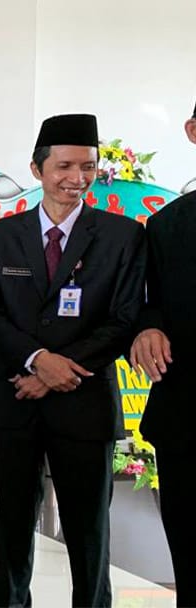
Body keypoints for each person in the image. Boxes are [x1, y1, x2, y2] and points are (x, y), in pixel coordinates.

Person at [0, 113, 145, 607]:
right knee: (12, 526)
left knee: (89, 532)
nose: (77, 177)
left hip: (83, 401)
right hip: (17, 398)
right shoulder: (2, 235)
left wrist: (52, 372)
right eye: (65, 166)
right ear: (37, 169)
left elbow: (123, 319)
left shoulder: (121, 236)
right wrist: (35, 360)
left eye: (87, 166)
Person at [128, 100, 196, 606]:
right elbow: (144, 302)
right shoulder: (166, 225)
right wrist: (146, 327)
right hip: (185, 423)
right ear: (192, 131)